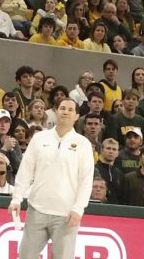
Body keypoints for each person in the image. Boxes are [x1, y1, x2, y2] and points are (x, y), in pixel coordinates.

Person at [9, 99, 94, 259]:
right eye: (62, 108)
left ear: (76, 116)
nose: (65, 112)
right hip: (37, 210)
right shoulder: (40, 138)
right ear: (56, 112)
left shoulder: (83, 144)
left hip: (66, 215)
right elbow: (25, 170)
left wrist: (78, 208)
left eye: (70, 109)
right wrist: (16, 198)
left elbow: (86, 179)